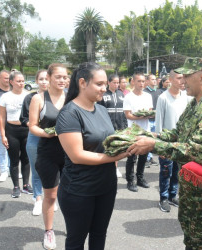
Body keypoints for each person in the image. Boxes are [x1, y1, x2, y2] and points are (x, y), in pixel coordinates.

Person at [127, 57, 202, 249]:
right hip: (190, 183)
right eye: (181, 77)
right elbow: (179, 132)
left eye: (187, 77)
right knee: (190, 234)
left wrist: (154, 145)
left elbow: (198, 150)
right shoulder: (194, 103)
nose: (183, 81)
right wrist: (154, 135)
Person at [56, 62, 128, 250]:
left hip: (106, 186)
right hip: (79, 190)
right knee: (76, 240)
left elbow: (108, 142)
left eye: (105, 84)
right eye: (99, 84)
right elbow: (77, 156)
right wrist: (117, 157)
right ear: (82, 82)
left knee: (99, 235)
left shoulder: (102, 110)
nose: (104, 88)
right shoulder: (69, 113)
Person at [29, 63, 67, 249]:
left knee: (71, 193)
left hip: (71, 153)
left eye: (65, 77)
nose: (62, 80)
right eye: (58, 77)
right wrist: (48, 133)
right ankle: (49, 231)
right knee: (51, 196)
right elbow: (33, 126)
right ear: (49, 77)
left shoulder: (72, 98)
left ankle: (73, 226)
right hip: (47, 153)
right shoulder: (39, 98)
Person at [155, 70, 188, 212]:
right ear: (171, 79)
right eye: (179, 78)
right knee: (165, 171)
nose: (182, 81)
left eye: (184, 78)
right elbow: (159, 123)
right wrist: (160, 146)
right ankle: (163, 197)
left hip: (181, 142)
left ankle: (173, 195)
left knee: (177, 171)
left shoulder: (186, 96)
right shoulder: (163, 98)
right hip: (167, 142)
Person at [20, 69, 48, 215]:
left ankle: (51, 199)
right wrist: (34, 125)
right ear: (36, 81)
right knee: (36, 169)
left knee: (55, 170)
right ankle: (38, 199)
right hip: (34, 137)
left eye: (47, 78)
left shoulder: (59, 97)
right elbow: (23, 119)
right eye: (41, 79)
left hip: (54, 139)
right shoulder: (30, 98)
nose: (44, 81)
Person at [0, 71, 31, 198]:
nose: (21, 83)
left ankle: (26, 185)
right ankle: (16, 186)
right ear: (11, 82)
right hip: (11, 131)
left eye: (23, 81)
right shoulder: (5, 97)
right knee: (13, 160)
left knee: (26, 159)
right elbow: (1, 117)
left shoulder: (28, 96)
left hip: (26, 131)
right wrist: (3, 135)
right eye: (18, 81)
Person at [123, 72, 153, 192]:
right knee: (131, 156)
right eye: (139, 81)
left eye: (143, 81)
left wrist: (146, 114)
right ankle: (130, 180)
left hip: (145, 131)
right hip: (133, 131)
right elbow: (128, 115)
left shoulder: (148, 96)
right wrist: (140, 117)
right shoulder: (128, 97)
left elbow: (150, 111)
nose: (141, 83)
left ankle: (140, 178)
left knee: (143, 156)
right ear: (133, 82)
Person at [97, 74, 127, 178]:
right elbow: (99, 111)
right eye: (114, 82)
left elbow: (123, 112)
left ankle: (115, 167)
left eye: (118, 82)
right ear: (108, 83)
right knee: (105, 147)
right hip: (106, 125)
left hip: (119, 125)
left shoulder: (121, 94)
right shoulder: (103, 94)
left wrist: (124, 125)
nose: (116, 84)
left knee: (116, 148)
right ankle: (104, 167)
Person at [143, 74, 159, 166]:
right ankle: (146, 158)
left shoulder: (159, 92)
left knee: (153, 140)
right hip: (148, 120)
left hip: (156, 120)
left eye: (155, 79)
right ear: (147, 81)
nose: (154, 81)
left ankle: (151, 157)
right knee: (147, 139)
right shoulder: (145, 92)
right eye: (152, 79)